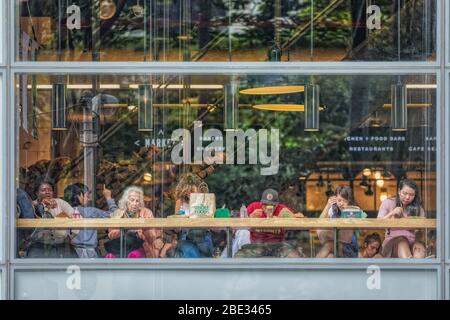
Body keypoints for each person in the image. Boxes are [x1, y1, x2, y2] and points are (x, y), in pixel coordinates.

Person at [235, 189, 306, 258]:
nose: (267, 208)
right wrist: (250, 218)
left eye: (272, 205)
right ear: (261, 203)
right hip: (256, 245)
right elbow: (237, 223)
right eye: (265, 205)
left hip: (278, 245)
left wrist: (284, 219)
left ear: (277, 205)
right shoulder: (254, 207)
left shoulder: (281, 209)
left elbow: (301, 219)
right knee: (239, 257)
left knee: (295, 257)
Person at [104, 186, 163, 258]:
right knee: (110, 257)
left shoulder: (147, 212)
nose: (134, 203)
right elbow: (111, 234)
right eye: (132, 200)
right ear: (126, 201)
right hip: (120, 246)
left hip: (140, 246)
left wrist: (140, 231)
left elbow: (151, 237)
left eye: (137, 201)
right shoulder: (118, 212)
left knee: (134, 255)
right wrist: (124, 230)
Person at [26, 177, 78, 258]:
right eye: (43, 190)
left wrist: (69, 236)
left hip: (61, 246)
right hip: (39, 247)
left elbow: (77, 218)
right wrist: (45, 208)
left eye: (50, 190)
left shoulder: (60, 203)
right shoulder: (32, 206)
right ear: (37, 193)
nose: (47, 192)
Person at [377, 179, 426, 259]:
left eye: (411, 195)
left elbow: (421, 232)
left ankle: (416, 267)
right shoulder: (388, 202)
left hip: (412, 241)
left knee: (419, 248)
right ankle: (411, 266)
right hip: (393, 242)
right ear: (399, 191)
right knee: (402, 241)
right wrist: (391, 213)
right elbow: (378, 223)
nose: (407, 197)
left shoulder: (418, 209)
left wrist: (417, 235)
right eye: (405, 193)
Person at [63, 183, 113, 258]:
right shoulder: (90, 211)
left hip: (71, 252)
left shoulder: (64, 212)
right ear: (79, 196)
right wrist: (108, 197)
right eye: (87, 196)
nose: (89, 199)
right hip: (89, 253)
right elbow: (115, 215)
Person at [173, 173, 214, 258]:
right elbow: (177, 229)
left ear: (198, 190)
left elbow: (212, 223)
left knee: (205, 258)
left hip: (204, 235)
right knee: (190, 252)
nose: (189, 194)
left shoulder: (205, 200)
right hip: (186, 236)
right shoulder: (180, 202)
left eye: (192, 191)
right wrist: (179, 221)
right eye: (187, 191)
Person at [316, 186, 361, 258]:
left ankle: (312, 267)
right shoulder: (333, 209)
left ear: (350, 201)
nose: (341, 203)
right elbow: (319, 223)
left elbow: (364, 231)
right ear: (335, 199)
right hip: (335, 245)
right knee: (330, 257)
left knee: (329, 244)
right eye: (339, 200)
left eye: (345, 201)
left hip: (349, 247)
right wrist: (328, 205)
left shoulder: (355, 210)